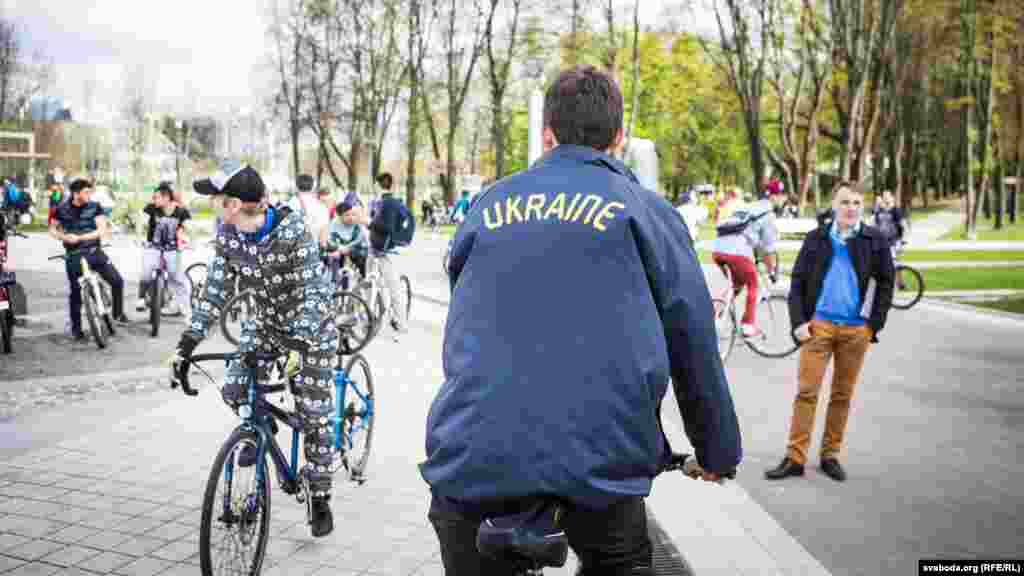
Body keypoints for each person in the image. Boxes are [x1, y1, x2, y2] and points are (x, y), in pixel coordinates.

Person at [420, 65, 741, 575]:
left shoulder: (488, 204)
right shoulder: (647, 211)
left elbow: (466, 314)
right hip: (601, 461)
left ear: (548, 131)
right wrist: (717, 450)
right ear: (618, 137)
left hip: (471, 453)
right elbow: (692, 338)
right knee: (620, 552)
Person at [171, 160, 340, 536]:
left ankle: (321, 494)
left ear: (232, 204)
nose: (212, 205)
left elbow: (312, 291)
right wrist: (187, 343)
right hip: (264, 324)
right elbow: (215, 291)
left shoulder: (293, 229)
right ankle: (261, 428)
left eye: (215, 199)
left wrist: (299, 342)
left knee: (313, 413)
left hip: (310, 328)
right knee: (233, 387)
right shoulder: (228, 234)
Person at [765, 182, 894, 483]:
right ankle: (795, 458)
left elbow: (887, 284)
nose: (851, 208)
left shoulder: (875, 240)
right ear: (834, 205)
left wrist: (873, 325)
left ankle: (830, 455)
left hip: (855, 330)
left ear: (863, 207)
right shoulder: (817, 239)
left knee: (841, 395)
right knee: (806, 392)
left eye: (857, 203)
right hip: (818, 327)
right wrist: (799, 322)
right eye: (845, 202)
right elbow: (797, 282)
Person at [50, 178, 129, 341]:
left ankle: (117, 315)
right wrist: (64, 237)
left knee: (117, 281)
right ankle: (76, 329)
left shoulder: (95, 206)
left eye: (89, 191)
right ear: (75, 193)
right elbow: (52, 230)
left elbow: (102, 229)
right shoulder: (61, 209)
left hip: (94, 251)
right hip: (74, 255)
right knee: (75, 294)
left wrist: (80, 237)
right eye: (86, 192)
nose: (89, 195)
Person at [709, 183, 787, 338]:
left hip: (718, 249)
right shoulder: (768, 214)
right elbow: (768, 249)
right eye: (780, 195)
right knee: (753, 283)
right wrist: (771, 271)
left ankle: (713, 317)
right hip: (736, 251)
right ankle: (747, 325)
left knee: (736, 286)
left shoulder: (750, 207)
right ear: (773, 196)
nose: (782, 199)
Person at [136, 182, 191, 317]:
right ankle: (142, 298)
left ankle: (185, 308)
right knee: (146, 270)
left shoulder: (181, 211)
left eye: (156, 197)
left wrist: (190, 241)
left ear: (166, 198)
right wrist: (139, 237)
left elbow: (188, 227)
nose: (153, 200)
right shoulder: (151, 208)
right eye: (153, 197)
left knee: (176, 276)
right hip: (153, 246)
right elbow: (142, 221)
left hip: (172, 249)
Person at [367, 172, 409, 336]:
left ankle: (401, 323)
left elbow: (388, 228)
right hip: (376, 249)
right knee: (372, 282)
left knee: (393, 287)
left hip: (386, 251)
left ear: (377, 185)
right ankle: (369, 317)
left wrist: (369, 222)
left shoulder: (389, 204)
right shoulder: (382, 203)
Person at [325, 199, 369, 288]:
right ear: (340, 216)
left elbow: (362, 239)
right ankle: (335, 283)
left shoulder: (358, 223)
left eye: (352, 214)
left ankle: (362, 280)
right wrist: (338, 248)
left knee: (361, 256)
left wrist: (349, 248)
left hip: (356, 250)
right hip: (339, 250)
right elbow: (329, 240)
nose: (351, 217)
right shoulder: (334, 225)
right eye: (347, 215)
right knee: (334, 258)